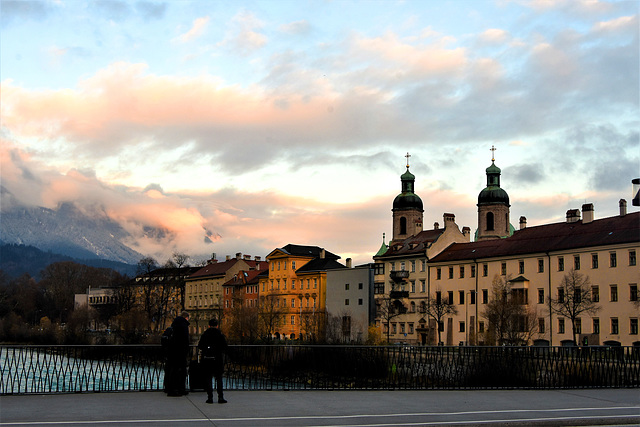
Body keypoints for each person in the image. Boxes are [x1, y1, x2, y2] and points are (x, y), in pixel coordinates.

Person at [197, 318, 228, 404]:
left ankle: (210, 397)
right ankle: (220, 397)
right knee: (219, 378)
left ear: (209, 326)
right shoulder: (220, 335)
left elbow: (200, 346)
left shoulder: (205, 335)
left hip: (207, 359)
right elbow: (225, 346)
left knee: (208, 378)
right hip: (217, 359)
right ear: (217, 326)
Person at [165, 311, 190, 396]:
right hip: (181, 351)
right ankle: (180, 389)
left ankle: (172, 388)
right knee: (181, 371)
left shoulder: (174, 324)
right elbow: (185, 339)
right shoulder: (184, 325)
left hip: (173, 351)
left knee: (173, 370)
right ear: (186, 317)